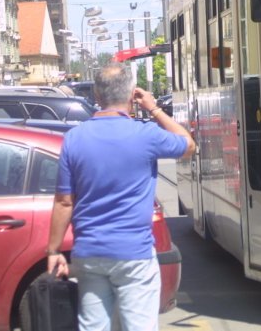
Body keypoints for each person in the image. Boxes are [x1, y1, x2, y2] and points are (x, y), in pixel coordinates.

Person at [45, 64, 195, 330]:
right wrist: (154, 108)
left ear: (96, 97)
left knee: (93, 326)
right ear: (130, 96)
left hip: (90, 252)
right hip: (134, 253)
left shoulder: (74, 139)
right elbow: (188, 145)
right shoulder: (145, 135)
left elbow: (64, 202)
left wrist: (54, 250)